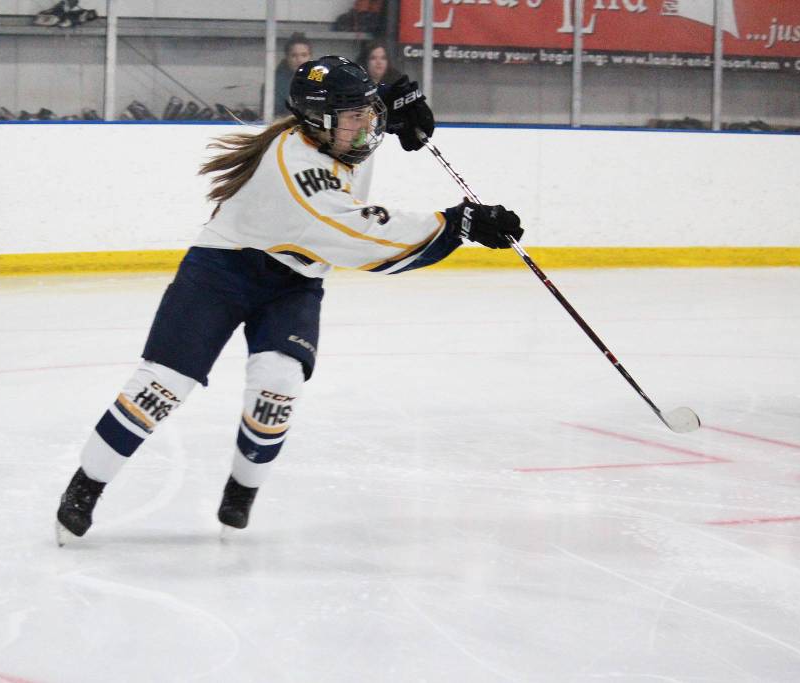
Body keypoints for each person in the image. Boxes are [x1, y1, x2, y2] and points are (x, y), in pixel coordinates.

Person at [55, 56, 523, 543]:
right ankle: (85, 488)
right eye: (356, 117)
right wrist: (457, 224)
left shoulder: (333, 131)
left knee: (278, 383)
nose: (366, 129)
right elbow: (362, 234)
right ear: (320, 123)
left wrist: (390, 101)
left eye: (368, 115)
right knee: (163, 385)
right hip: (222, 270)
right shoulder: (298, 172)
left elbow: (361, 118)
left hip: (295, 280)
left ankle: (241, 492)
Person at [270, 32, 311, 117]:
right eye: (294, 55)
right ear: (287, 57)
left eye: (304, 55)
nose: (299, 60)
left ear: (310, 56)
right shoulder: (274, 82)